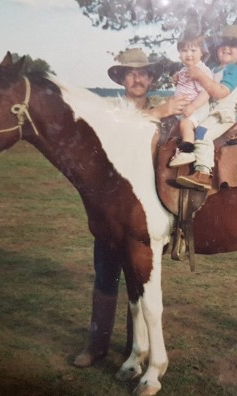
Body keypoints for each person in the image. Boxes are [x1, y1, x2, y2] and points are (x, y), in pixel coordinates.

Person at [73, 48, 188, 368]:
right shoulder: (110, 111)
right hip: (110, 211)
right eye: (131, 73)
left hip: (145, 211)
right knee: (105, 277)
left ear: (151, 78)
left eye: (144, 73)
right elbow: (115, 132)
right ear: (122, 79)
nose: (137, 79)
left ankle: (133, 348)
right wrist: (159, 112)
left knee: (139, 277)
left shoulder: (166, 117)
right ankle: (96, 345)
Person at [176, 25, 237, 190]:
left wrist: (200, 77)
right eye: (223, 44)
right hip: (207, 110)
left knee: (202, 133)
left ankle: (203, 172)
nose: (227, 48)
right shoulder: (213, 69)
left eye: (233, 45)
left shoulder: (235, 70)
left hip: (221, 114)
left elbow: (220, 92)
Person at [169, 34, 213, 168]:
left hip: (198, 108)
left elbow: (206, 92)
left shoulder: (201, 71)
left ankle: (187, 150)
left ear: (202, 53)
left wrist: (193, 106)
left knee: (186, 124)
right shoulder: (184, 70)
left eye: (193, 51)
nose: (189, 54)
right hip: (185, 107)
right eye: (184, 51)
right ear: (179, 55)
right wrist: (176, 78)